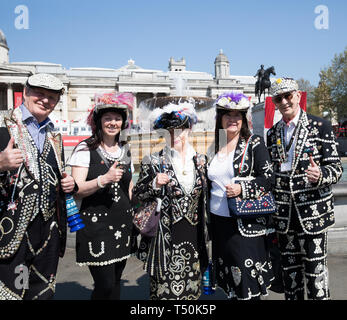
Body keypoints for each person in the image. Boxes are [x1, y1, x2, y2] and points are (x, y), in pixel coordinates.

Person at [0, 73, 76, 300]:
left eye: (52, 97)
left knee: (41, 293)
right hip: (10, 233)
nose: (45, 100)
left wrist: (68, 184)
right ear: (25, 92)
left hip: (47, 234)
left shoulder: (55, 136)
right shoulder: (2, 128)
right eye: (39, 94)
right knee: (12, 293)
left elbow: (52, 177)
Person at [266, 78, 343, 300]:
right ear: (275, 103)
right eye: (278, 98)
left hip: (313, 215)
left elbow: (336, 168)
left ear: (298, 95)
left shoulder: (320, 126)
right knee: (290, 277)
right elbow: (271, 172)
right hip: (284, 217)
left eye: (288, 95)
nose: (284, 102)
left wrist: (320, 175)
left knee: (316, 273)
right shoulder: (273, 134)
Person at [133, 101, 211, 300]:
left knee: (191, 294)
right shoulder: (153, 161)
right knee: (163, 293)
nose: (175, 135)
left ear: (189, 130)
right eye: (169, 131)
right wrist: (154, 186)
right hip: (164, 238)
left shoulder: (201, 161)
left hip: (194, 237)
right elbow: (137, 196)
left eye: (180, 130)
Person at [207, 92, 275, 300]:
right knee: (231, 282)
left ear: (244, 119)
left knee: (247, 283)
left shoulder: (254, 143)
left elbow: (269, 178)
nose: (233, 119)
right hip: (219, 223)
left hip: (244, 225)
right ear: (220, 118)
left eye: (238, 115)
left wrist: (242, 189)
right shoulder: (216, 144)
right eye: (228, 114)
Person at [68, 92, 135, 300]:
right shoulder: (85, 148)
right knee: (104, 285)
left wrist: (142, 208)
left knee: (116, 282)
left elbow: (129, 186)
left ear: (123, 122)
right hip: (96, 226)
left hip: (123, 224)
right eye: (108, 118)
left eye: (117, 118)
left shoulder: (125, 149)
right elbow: (76, 188)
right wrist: (103, 180)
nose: (113, 123)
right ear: (98, 121)